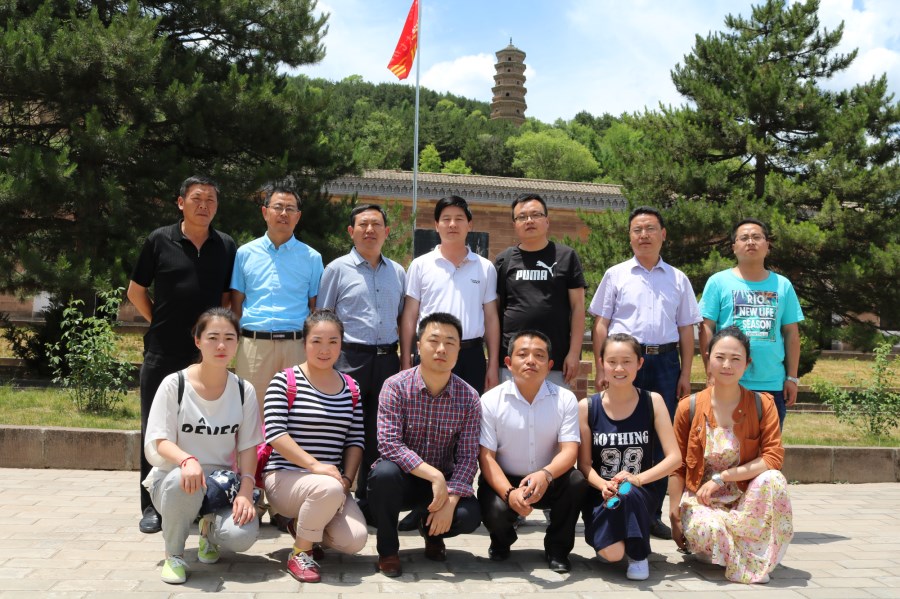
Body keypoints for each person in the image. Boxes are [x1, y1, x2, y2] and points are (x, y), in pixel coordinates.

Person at [128, 175, 237, 534]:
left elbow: (226, 299)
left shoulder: (226, 245)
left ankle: (198, 502)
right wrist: (159, 319)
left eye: (210, 200)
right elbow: (135, 291)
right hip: (163, 350)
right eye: (196, 198)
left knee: (201, 428)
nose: (204, 205)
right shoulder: (159, 239)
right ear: (180, 202)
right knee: (155, 427)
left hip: (206, 358)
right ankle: (151, 506)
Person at [588, 205, 701, 539]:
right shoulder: (616, 274)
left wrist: (685, 372)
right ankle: (613, 502)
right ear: (630, 236)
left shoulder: (678, 279)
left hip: (665, 363)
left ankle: (651, 513)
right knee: (624, 434)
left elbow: (686, 329)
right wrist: (601, 366)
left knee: (660, 440)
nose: (644, 235)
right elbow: (601, 323)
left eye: (650, 228)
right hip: (623, 364)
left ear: (663, 234)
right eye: (637, 230)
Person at [142, 308, 262, 584]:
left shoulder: (243, 390)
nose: (221, 346)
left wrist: (246, 490)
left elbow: (248, 447)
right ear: (198, 341)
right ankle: (174, 555)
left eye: (229, 338)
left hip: (220, 485)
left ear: (237, 343)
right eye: (213, 337)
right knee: (181, 481)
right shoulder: (175, 384)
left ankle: (209, 531)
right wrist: (187, 460)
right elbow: (160, 441)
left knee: (241, 535)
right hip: (174, 482)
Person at [668, 326, 793, 584]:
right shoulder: (688, 406)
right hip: (703, 502)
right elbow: (676, 465)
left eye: (736, 359)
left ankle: (739, 554)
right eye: (720, 357)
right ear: (708, 358)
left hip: (743, 499)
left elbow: (773, 457)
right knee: (708, 529)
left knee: (774, 479)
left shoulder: (762, 404)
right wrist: (673, 515)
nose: (727, 365)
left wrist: (723, 477)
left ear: (747, 363)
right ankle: (747, 553)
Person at [368, 312, 482, 577]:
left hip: (443, 485)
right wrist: (434, 476)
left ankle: (431, 531)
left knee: (469, 515)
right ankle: (388, 551)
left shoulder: (469, 397)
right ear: (419, 346)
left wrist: (450, 500)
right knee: (383, 474)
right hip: (402, 480)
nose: (441, 349)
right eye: (434, 340)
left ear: (459, 351)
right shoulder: (395, 386)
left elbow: (468, 457)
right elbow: (389, 444)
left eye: (450, 343)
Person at [261, 310, 367, 583]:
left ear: (342, 344)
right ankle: (300, 553)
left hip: (330, 483)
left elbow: (355, 440)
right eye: (317, 341)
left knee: (354, 540)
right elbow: (275, 433)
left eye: (333, 341)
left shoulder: (351, 388)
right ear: (304, 343)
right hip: (284, 478)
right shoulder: (285, 381)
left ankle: (302, 526)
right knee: (327, 488)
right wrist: (315, 466)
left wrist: (347, 480)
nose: (325, 349)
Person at [317, 204, 405, 512]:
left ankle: (371, 499)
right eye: (363, 224)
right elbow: (324, 316)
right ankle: (335, 496)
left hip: (387, 359)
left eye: (376, 224)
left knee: (379, 430)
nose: (370, 230)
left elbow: (402, 318)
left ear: (387, 231)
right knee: (342, 427)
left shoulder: (398, 272)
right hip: (349, 358)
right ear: (351, 231)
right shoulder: (336, 269)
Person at [478, 330, 586, 573]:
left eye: (539, 356)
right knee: (493, 506)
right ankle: (502, 540)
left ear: (549, 365)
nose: (530, 361)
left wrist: (546, 474)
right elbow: (486, 457)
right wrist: (509, 493)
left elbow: (570, 451)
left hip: (549, 478)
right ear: (508, 362)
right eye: (523, 354)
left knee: (576, 481)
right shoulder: (490, 401)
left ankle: (557, 549)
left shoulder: (565, 399)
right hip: (506, 479)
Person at [578, 333, 681, 581]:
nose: (619, 368)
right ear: (601, 363)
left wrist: (637, 479)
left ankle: (638, 555)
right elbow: (584, 465)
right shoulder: (587, 407)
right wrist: (603, 485)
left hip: (640, 492)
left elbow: (674, 458)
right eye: (612, 361)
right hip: (603, 498)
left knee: (627, 490)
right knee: (612, 554)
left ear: (640, 363)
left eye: (627, 361)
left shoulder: (653, 401)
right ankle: (624, 538)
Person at [698, 218, 803, 429]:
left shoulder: (783, 285)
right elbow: (706, 327)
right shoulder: (718, 282)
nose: (751, 242)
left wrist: (792, 378)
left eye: (757, 237)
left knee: (768, 447)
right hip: (728, 381)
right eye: (744, 238)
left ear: (767, 245)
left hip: (771, 385)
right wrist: (710, 370)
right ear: (734, 247)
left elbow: (791, 333)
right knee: (724, 445)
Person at [230, 184, 324, 408]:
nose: (284, 213)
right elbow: (236, 303)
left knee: (298, 412)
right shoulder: (244, 254)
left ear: (298, 217)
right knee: (252, 413)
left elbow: (315, 308)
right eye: (278, 207)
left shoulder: (312, 258)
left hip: (296, 346)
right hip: (254, 346)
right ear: (265, 212)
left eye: (290, 209)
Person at [400, 195, 500, 394]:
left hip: (471, 356)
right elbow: (410, 315)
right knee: (426, 410)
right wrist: (405, 360)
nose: (452, 224)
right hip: (431, 352)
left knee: (470, 410)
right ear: (436, 225)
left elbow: (491, 318)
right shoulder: (420, 265)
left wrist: (493, 365)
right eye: (446, 219)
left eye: (459, 219)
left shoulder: (485, 267)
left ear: (469, 225)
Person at [495, 194, 587, 388]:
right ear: (514, 224)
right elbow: (494, 312)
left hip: (555, 360)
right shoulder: (504, 260)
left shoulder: (566, 256)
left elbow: (578, 308)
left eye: (535, 215)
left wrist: (574, 353)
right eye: (522, 217)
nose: (529, 220)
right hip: (513, 361)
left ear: (547, 221)